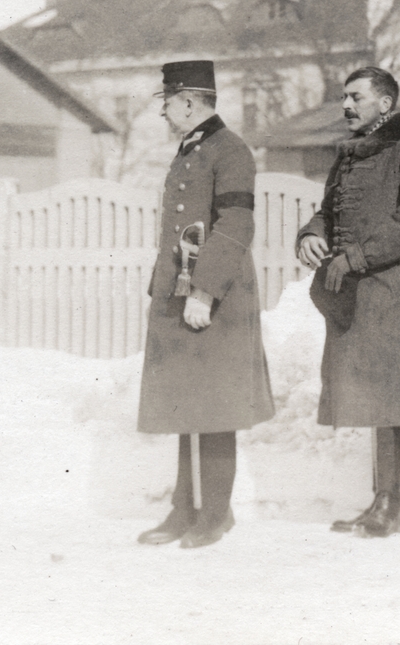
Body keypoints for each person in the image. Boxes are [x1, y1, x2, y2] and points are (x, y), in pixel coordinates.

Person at [296, 66, 400, 539]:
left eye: (356, 97)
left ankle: (390, 504)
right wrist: (310, 236)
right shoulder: (349, 154)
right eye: (344, 96)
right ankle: (383, 501)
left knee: (391, 400)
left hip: (395, 290)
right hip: (356, 292)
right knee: (373, 399)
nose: (346, 105)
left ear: (385, 104)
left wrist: (358, 256)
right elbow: (330, 210)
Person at [136, 60, 275, 549]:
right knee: (183, 402)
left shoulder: (230, 150)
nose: (164, 113)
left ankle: (215, 514)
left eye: (167, 103)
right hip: (182, 290)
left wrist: (204, 291)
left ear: (189, 102)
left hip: (217, 295)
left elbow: (236, 223)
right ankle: (183, 509)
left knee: (215, 406)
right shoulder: (191, 148)